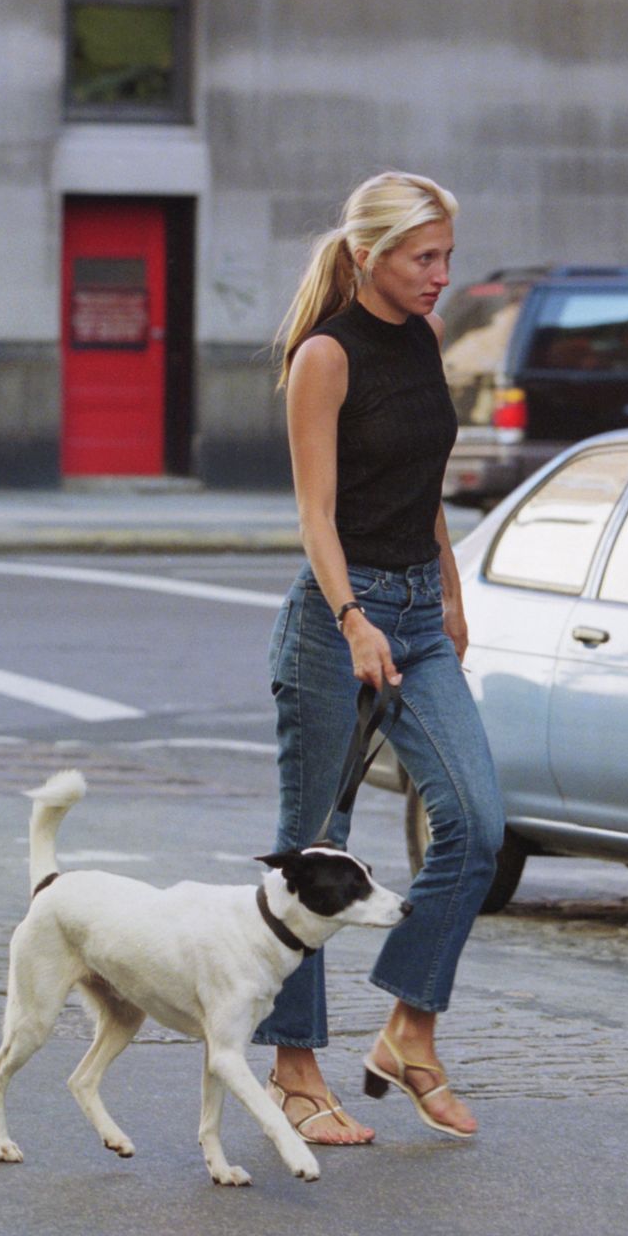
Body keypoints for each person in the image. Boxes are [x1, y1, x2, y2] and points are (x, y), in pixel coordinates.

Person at [257, 170, 503, 1147]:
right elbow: (314, 513)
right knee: (316, 846)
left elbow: (422, 481)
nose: (443, 274)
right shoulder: (326, 356)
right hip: (335, 620)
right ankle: (292, 1069)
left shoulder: (427, 339)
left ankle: (409, 1028)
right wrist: (355, 617)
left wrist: (448, 589)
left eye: (446, 254)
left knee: (477, 821)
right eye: (424, 257)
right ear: (371, 255)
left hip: (415, 609)